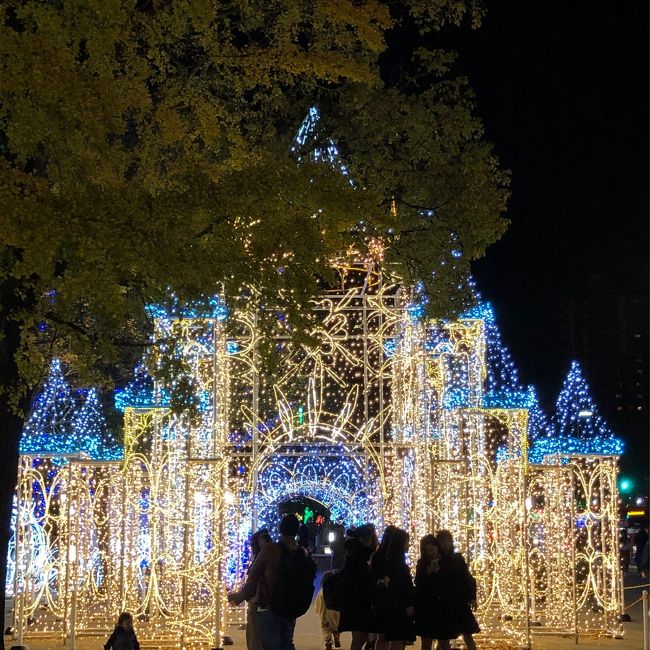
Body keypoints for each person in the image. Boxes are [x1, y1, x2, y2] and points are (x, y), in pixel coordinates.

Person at [228, 514, 315, 650]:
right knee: (287, 642)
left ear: (280, 528)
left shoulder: (270, 550)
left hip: (269, 607)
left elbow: (253, 578)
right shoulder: (302, 552)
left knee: (270, 645)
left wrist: (238, 597)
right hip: (290, 607)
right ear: (297, 530)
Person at [370, 526, 415, 650]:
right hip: (397, 607)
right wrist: (408, 603)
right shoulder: (398, 564)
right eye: (407, 542)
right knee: (397, 640)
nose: (409, 545)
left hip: (383, 604)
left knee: (383, 637)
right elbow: (402, 586)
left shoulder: (382, 558)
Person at [435, 530, 479, 650]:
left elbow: (468, 579)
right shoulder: (435, 560)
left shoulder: (457, 559)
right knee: (443, 638)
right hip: (443, 603)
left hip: (459, 602)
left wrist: (472, 597)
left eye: (447, 541)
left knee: (467, 635)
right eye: (442, 541)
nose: (445, 544)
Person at [338, 525, 377, 650]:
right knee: (360, 637)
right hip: (361, 601)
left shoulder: (353, 553)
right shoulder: (364, 555)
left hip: (353, 600)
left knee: (359, 637)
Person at [414, 535, 450, 650]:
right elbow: (418, 582)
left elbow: (452, 581)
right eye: (427, 550)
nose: (430, 553)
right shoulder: (422, 563)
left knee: (444, 641)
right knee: (426, 641)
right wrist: (428, 572)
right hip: (426, 607)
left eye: (432, 549)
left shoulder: (446, 561)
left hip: (442, 606)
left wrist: (439, 572)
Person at [245, 529, 272, 650]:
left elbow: (252, 583)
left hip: (258, 603)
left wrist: (241, 595)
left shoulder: (260, 560)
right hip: (266, 604)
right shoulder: (274, 557)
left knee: (256, 638)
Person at [315, 570, 342, 650]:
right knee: (336, 627)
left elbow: (318, 603)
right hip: (336, 612)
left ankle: (328, 641)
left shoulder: (322, 591)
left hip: (326, 612)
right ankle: (337, 636)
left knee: (325, 628)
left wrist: (317, 610)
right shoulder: (338, 590)